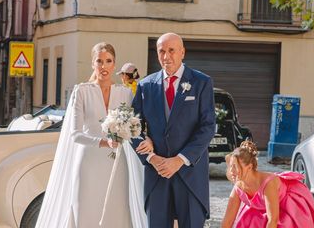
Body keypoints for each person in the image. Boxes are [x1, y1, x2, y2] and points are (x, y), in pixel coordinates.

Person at [35, 42, 150, 228]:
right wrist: (105, 142)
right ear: (92, 64)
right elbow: (75, 134)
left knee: (118, 212)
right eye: (99, 61)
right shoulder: (82, 91)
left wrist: (135, 135)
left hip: (117, 163)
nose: (103, 66)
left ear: (114, 64)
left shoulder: (126, 93)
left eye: (108, 61)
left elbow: (135, 128)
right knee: (86, 212)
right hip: (88, 162)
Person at [132, 33, 216, 228]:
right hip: (157, 173)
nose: (166, 56)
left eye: (171, 50)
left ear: (182, 52)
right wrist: (152, 157)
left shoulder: (201, 82)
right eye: (161, 51)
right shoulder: (145, 86)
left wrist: (179, 160)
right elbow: (132, 126)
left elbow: (208, 126)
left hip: (190, 173)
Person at [221, 140, 314, 228]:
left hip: (286, 206)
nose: (231, 171)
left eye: (236, 166)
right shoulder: (238, 187)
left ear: (250, 167)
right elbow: (228, 221)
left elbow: (273, 220)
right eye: (231, 166)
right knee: (249, 218)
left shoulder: (268, 183)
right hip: (262, 210)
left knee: (286, 223)